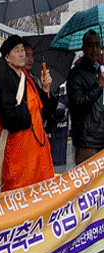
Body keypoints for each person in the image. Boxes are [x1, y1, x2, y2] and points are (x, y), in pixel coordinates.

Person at [0, 35, 57, 192]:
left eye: (24, 50)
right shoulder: (4, 80)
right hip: (20, 153)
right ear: (7, 57)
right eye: (18, 51)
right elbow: (8, 119)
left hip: (37, 152)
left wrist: (46, 90)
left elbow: (46, 111)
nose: (22, 54)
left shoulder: (29, 79)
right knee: (19, 196)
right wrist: (27, 107)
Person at [67, 30, 104, 165]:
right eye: (90, 45)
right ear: (83, 48)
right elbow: (78, 104)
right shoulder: (76, 74)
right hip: (87, 142)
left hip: (101, 138)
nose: (95, 49)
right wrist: (98, 86)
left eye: (97, 45)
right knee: (89, 185)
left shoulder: (100, 70)